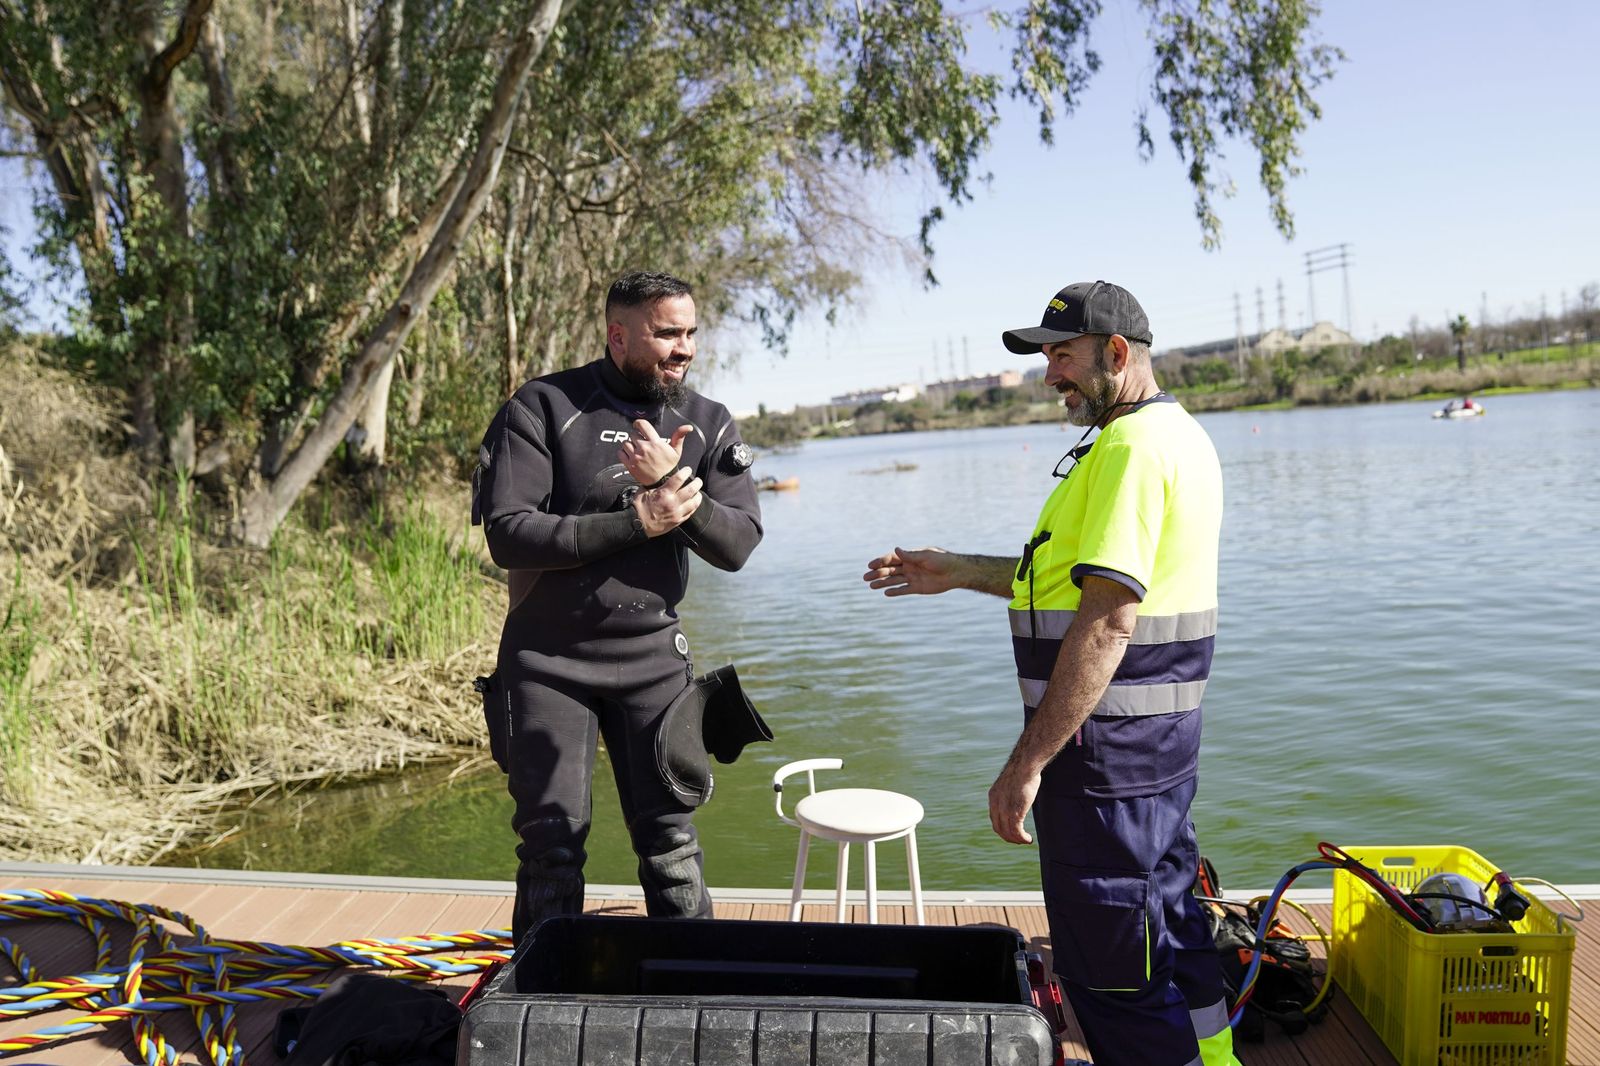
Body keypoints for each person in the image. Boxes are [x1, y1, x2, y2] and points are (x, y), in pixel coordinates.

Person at [863, 280, 1240, 1066]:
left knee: (1112, 975)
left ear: (1117, 353)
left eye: (1062, 356)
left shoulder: (1131, 451)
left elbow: (1107, 619)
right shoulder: (1170, 435)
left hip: (1105, 766)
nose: (1049, 376)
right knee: (1171, 928)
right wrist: (958, 570)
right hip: (1157, 758)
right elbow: (1070, 584)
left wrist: (1026, 763)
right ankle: (1217, 1056)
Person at [472, 270, 763, 944]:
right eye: (667, 334)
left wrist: (671, 483)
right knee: (551, 847)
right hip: (547, 663)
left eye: (690, 333)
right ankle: (545, 991)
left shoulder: (709, 422)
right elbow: (508, 535)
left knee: (670, 842)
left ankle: (693, 987)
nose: (684, 348)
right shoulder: (544, 407)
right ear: (618, 335)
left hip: (652, 664)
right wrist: (639, 520)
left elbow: (738, 544)